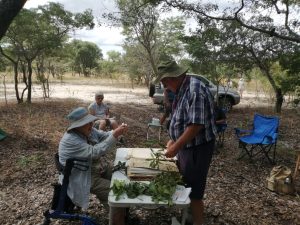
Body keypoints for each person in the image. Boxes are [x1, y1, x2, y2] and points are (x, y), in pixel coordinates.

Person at [154, 61, 217, 225]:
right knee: (186, 181)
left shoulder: (195, 90)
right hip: (187, 146)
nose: (164, 86)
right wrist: (173, 139)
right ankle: (187, 215)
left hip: (197, 148)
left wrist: (176, 146)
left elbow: (195, 125)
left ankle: (198, 221)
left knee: (194, 190)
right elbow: (182, 118)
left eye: (164, 82)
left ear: (172, 78)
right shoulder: (182, 88)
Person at [58, 107, 128, 225]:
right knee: (116, 192)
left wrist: (118, 130)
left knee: (122, 173)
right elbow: (95, 152)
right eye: (87, 123)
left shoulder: (87, 131)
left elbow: (103, 135)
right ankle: (118, 219)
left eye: (90, 121)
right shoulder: (71, 139)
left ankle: (123, 212)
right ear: (77, 126)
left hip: (94, 168)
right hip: (83, 175)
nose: (91, 125)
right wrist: (115, 134)